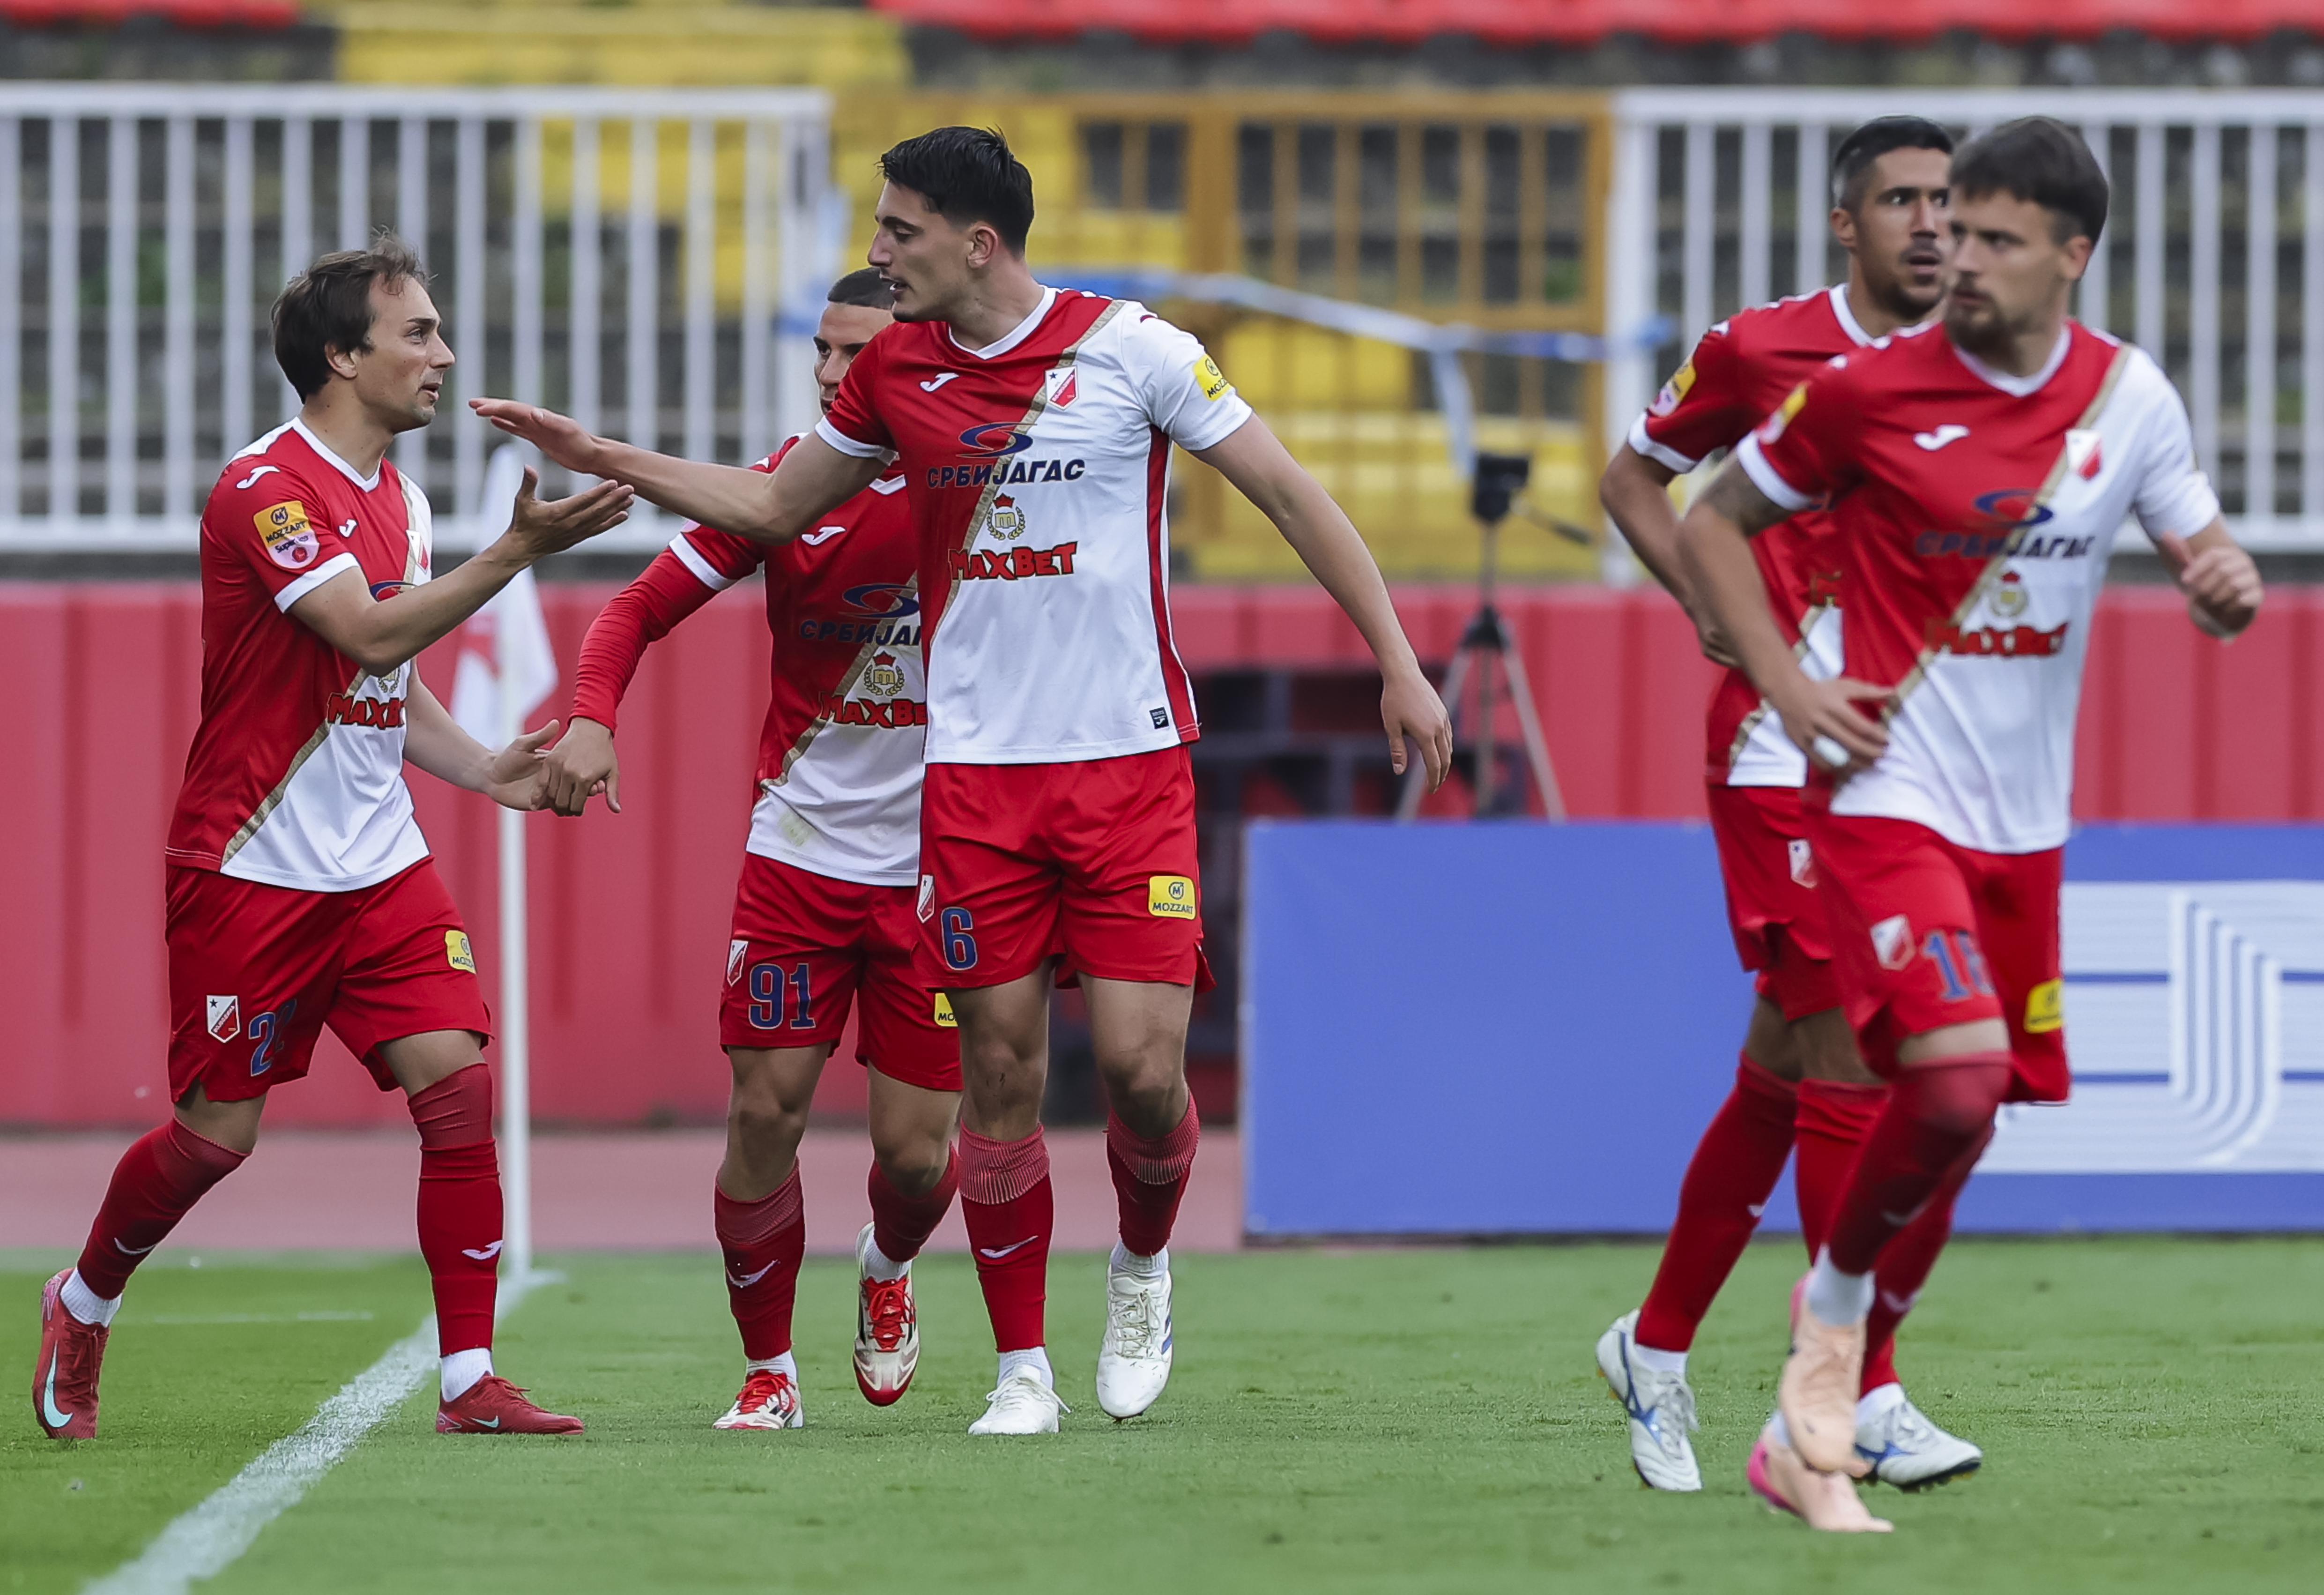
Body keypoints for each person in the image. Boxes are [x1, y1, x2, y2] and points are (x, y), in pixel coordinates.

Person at [475, 126, 1452, 1435]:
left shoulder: (1137, 351)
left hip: (1127, 763)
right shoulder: (892, 373)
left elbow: (1287, 492)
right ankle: (1021, 1371)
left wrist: (1395, 660)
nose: (879, 252)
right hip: (979, 782)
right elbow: (767, 511)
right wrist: (605, 456)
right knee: (998, 1075)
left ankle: (1145, 1265)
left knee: (1144, 1073)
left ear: (974, 241)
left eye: (899, 231)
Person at [1679, 118, 2263, 1531]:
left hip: (2024, 825)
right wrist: (1787, 678)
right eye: (1951, 227)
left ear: (2072, 255)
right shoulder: (1869, 393)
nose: (1958, 254)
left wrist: (2219, 576)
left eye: (1996, 237)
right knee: (1943, 1078)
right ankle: (1836, 1343)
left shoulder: (2130, 398)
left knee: (1975, 1105)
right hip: (1884, 794)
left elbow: (2197, 539)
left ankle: (1817, 1390)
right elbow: (1710, 518)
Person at [31, 237, 634, 1440]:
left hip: (381, 868)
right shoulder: (265, 487)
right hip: (249, 867)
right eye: (417, 334)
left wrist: (487, 773)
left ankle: (469, 1379)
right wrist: (515, 554)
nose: (443, 356)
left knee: (458, 1092)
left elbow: (385, 684)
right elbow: (362, 635)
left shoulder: (400, 499)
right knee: (217, 1139)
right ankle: (84, 1298)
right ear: (341, 356)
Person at [1595, 118, 1980, 1495]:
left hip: (1913, 750)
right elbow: (1632, 476)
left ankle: (1652, 1345)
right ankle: (1858, 1389)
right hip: (1778, 746)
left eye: (1947, 200)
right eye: (1900, 201)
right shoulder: (1761, 350)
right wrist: (1713, 608)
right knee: (1853, 1063)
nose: (1928, 224)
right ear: (1846, 224)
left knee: (1781, 1071)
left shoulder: (1985, 365)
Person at [541, 269, 961, 1431]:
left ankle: (885, 1263)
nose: (832, 375)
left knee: (920, 1160)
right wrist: (590, 714)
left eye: (854, 354)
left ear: (921, 358)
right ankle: (768, 1370)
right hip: (801, 855)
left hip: (944, 866)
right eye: (823, 353)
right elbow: (631, 612)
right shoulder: (784, 489)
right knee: (763, 1117)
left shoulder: (984, 486)